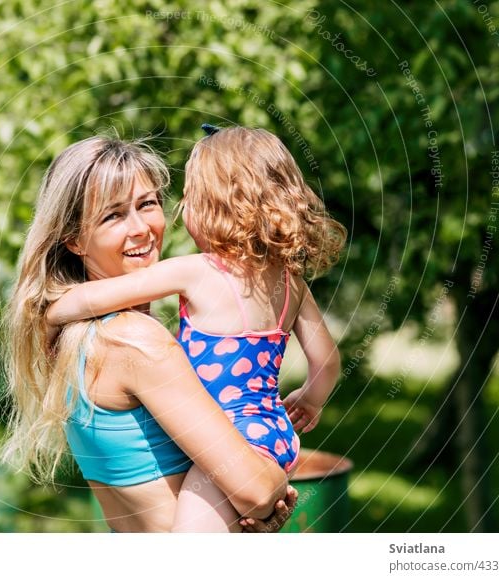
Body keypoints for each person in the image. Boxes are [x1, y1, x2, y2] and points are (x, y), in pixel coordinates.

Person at [47, 125, 346, 531]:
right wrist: (308, 405)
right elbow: (327, 360)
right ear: (74, 240)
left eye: (152, 203)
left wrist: (50, 310)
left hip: (238, 440)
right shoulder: (290, 282)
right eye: (114, 215)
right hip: (272, 432)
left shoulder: (191, 275)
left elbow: (92, 298)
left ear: (208, 208)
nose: (142, 227)